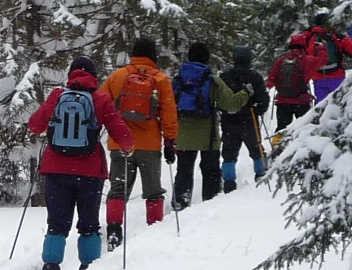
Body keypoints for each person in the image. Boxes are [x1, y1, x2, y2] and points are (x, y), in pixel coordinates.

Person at [24, 55, 135, 270]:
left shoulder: (57, 96)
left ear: (70, 75)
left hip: (56, 170)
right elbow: (122, 134)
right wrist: (128, 147)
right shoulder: (100, 99)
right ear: (94, 77)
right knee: (89, 224)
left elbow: (35, 126)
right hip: (90, 172)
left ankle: (51, 269)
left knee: (56, 223)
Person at [101, 37, 177, 248]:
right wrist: (170, 140)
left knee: (117, 190)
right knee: (153, 190)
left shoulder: (118, 76)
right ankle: (154, 230)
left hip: (120, 143)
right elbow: (169, 113)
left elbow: (101, 104)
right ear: (153, 55)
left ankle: (114, 230)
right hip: (149, 145)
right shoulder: (161, 79)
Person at [169, 41, 249, 209]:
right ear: (207, 59)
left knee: (184, 170)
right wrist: (246, 93)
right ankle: (210, 200)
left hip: (184, 134)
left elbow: (169, 104)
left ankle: (180, 200)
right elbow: (231, 104)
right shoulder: (212, 80)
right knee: (211, 170)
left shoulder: (179, 79)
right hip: (209, 135)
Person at [220, 46, 271, 186]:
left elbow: (218, 98)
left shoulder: (224, 76)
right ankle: (262, 174)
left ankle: (229, 181)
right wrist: (259, 110)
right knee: (256, 148)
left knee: (229, 153)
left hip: (229, 119)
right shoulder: (254, 76)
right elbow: (263, 98)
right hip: (249, 118)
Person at [303, 16, 352, 101]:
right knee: (339, 102)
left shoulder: (310, 37)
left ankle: (321, 114)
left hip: (318, 77)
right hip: (336, 75)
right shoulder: (335, 36)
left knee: (320, 105)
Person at [268, 33, 315, 131]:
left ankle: (278, 145)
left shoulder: (280, 60)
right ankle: (303, 145)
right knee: (305, 129)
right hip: (301, 101)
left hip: (282, 100)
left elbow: (271, 79)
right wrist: (321, 49)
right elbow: (322, 61)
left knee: (281, 128)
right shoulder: (305, 59)